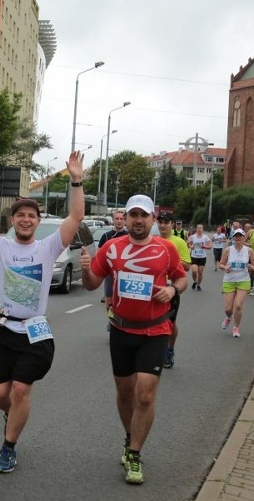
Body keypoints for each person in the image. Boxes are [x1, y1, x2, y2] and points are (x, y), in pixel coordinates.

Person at [0, 151, 85, 474]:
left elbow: (75, 218)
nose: (25, 219)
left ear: (38, 221)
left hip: (34, 332)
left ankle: (8, 447)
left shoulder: (48, 248)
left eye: (31, 215)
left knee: (20, 389)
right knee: (0, 394)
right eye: (20, 215)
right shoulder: (0, 246)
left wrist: (75, 181)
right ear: (12, 220)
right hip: (1, 330)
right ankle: (10, 414)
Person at [80, 195, 187, 485]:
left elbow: (181, 278)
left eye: (144, 215)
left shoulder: (165, 249)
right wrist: (84, 267)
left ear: (153, 219)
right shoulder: (111, 248)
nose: (138, 220)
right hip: (121, 331)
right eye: (133, 215)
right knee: (126, 392)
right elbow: (91, 284)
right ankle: (129, 439)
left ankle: (136, 454)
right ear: (125, 218)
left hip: (155, 330)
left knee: (145, 394)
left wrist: (173, 291)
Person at [156, 212, 191, 369]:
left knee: (170, 322)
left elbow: (187, 266)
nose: (162, 225)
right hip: (154, 287)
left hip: (171, 287)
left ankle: (169, 350)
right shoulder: (153, 241)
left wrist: (170, 260)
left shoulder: (179, 242)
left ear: (172, 224)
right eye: (160, 222)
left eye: (166, 222)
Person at [218, 228, 254, 339]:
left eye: (240, 236)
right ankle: (228, 318)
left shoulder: (249, 250)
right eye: (236, 236)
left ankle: (236, 328)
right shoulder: (228, 250)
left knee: (238, 305)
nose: (238, 238)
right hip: (229, 280)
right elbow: (221, 264)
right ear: (233, 238)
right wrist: (225, 267)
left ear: (243, 238)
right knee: (228, 309)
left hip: (243, 280)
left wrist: (252, 267)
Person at [97, 209, 128, 310]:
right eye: (117, 218)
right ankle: (112, 322)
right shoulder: (106, 236)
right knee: (109, 301)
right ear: (113, 220)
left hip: (126, 273)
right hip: (110, 274)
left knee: (125, 302)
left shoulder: (129, 236)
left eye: (122, 219)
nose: (119, 221)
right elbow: (99, 255)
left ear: (125, 221)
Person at [187, 224, 211, 291]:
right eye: (198, 228)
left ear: (202, 229)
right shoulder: (193, 237)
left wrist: (205, 246)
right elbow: (189, 244)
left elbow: (210, 246)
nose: (199, 229)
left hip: (202, 257)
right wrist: (191, 247)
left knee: (200, 272)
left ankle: (198, 285)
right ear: (196, 229)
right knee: (194, 271)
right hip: (194, 256)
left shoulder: (205, 237)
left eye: (200, 228)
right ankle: (195, 281)